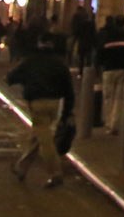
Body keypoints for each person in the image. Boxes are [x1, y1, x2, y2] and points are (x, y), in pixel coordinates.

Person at [6, 36, 75, 189]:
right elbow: (69, 90)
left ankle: (55, 172)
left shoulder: (30, 61)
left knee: (45, 140)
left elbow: (11, 77)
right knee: (38, 136)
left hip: (37, 102)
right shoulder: (60, 63)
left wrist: (19, 81)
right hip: (55, 103)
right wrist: (68, 112)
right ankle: (22, 167)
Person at [98, 16, 124, 133]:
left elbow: (100, 52)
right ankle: (115, 123)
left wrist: (98, 67)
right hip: (122, 69)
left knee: (108, 97)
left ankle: (108, 122)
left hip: (108, 69)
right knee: (119, 98)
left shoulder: (107, 37)